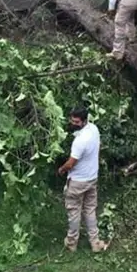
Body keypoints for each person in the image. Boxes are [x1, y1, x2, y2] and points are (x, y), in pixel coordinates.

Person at [58, 106, 107, 253]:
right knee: (90, 210)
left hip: (78, 181)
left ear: (84, 120)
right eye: (72, 120)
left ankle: (71, 242)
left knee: (74, 211)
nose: (73, 123)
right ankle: (95, 243)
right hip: (92, 178)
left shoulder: (80, 141)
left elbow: (71, 163)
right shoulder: (94, 129)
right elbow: (98, 148)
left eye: (76, 121)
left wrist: (61, 169)